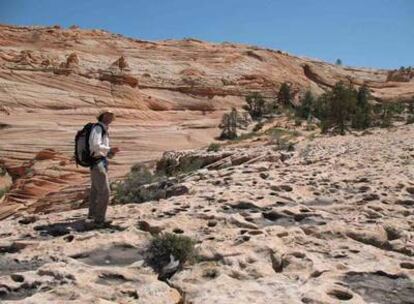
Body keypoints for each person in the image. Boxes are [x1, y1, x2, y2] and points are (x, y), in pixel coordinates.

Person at [88, 110, 120, 227]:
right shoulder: (98, 129)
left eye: (112, 115)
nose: (110, 117)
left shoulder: (104, 129)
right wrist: (109, 149)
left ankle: (92, 216)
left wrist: (110, 153)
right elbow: (95, 146)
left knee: (95, 191)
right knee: (105, 191)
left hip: (101, 161)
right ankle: (99, 220)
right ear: (103, 116)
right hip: (97, 162)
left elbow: (101, 149)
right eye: (108, 115)